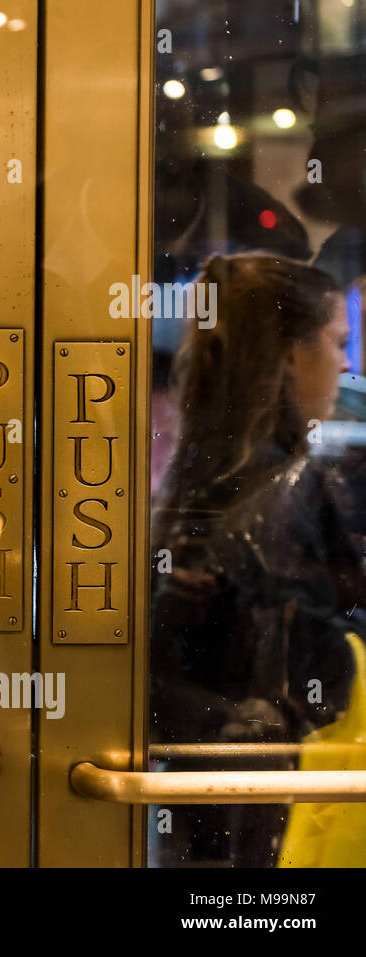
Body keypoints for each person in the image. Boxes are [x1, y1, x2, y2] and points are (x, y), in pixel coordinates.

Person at [150, 252, 365, 866]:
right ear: (291, 356)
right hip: (288, 819)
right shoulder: (299, 495)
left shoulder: (197, 489)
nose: (347, 363)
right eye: (337, 341)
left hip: (204, 819)